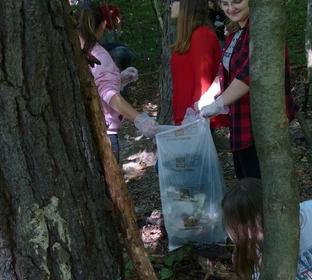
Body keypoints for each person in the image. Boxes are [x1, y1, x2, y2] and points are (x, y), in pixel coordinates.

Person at [195, 0, 299, 180]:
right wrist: (210, 94)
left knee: (257, 183)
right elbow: (225, 70)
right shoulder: (235, 31)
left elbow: (250, 72)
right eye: (225, 3)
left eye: (237, 1)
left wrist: (219, 103)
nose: (230, 8)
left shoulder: (262, 30)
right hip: (239, 120)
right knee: (244, 178)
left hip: (260, 121)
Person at [75, 2, 157, 162]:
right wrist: (139, 119)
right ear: (104, 24)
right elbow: (108, 94)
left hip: (81, 131)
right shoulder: (98, 53)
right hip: (104, 134)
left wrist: (118, 79)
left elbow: (92, 85)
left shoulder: (73, 48)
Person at [169, 0, 228, 129]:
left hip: (196, 120)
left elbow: (203, 84)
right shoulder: (192, 35)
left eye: (173, 1)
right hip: (187, 118)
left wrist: (192, 118)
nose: (170, 5)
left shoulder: (201, 35)